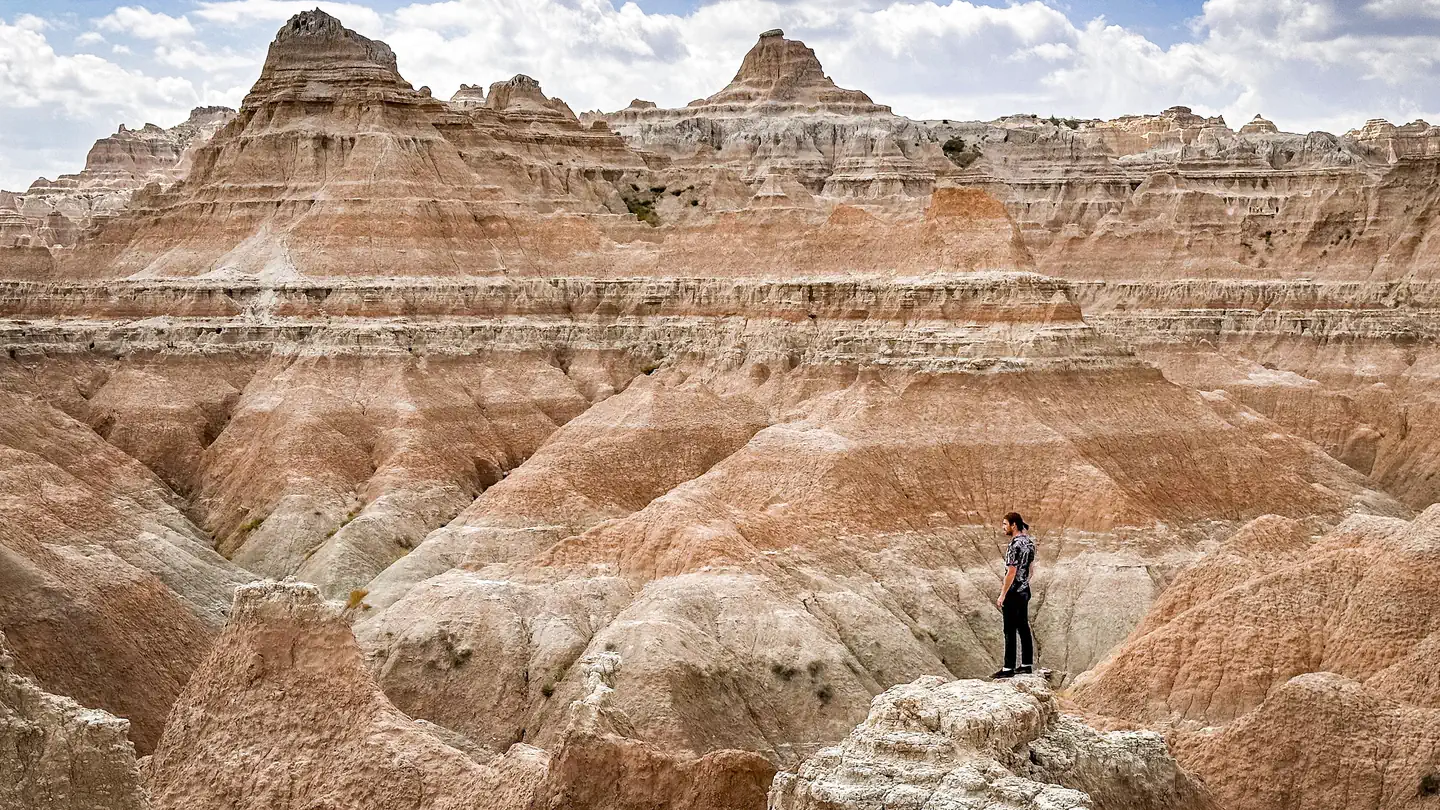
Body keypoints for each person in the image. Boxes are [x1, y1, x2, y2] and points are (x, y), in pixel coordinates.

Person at [992, 511, 1035, 679]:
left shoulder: (1014, 545)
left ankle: (1008, 668)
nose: (1003, 528)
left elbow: (1011, 571)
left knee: (1009, 630)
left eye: (1005, 524)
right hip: (1024, 591)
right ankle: (1026, 665)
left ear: (1013, 525)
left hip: (1013, 592)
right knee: (1023, 627)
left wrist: (1003, 594)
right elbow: (1031, 569)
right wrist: (1024, 583)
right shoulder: (1029, 543)